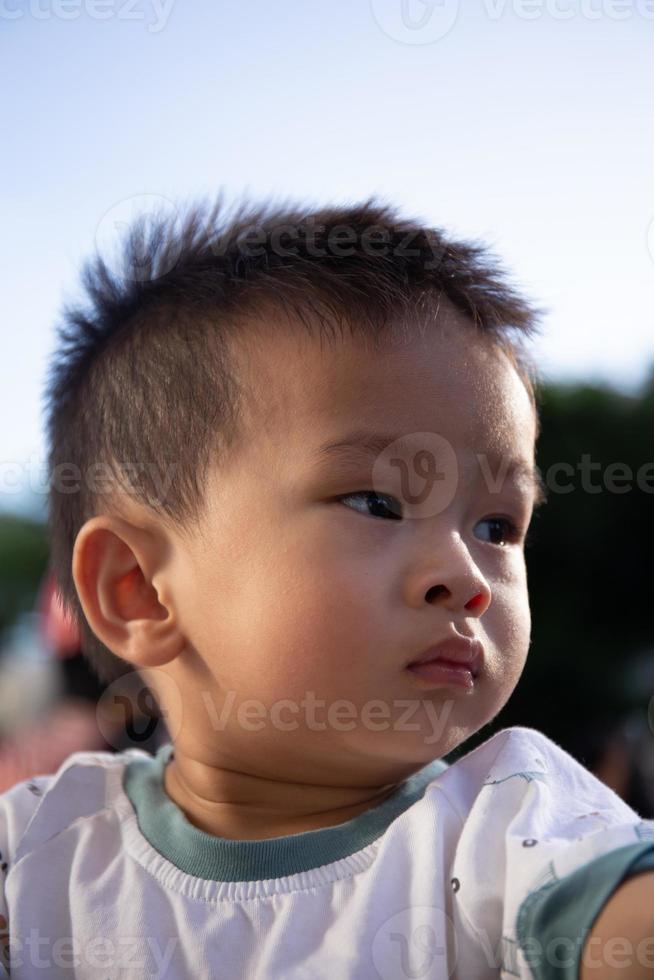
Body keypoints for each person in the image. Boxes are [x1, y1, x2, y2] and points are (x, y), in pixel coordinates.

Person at [0, 195, 652, 979]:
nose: (465, 577)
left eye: (496, 527)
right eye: (378, 504)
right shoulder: (42, 851)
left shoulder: (510, 827)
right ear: (140, 589)